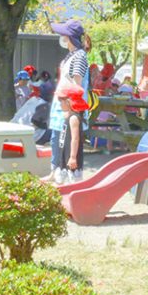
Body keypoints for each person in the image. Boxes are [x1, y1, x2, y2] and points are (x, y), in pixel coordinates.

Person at [44, 20, 89, 183]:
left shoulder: (79, 57)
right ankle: (56, 171)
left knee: (69, 141)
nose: (61, 37)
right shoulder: (71, 55)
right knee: (58, 138)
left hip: (71, 106)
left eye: (63, 34)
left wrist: (70, 107)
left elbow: (77, 85)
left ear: (69, 37)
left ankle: (69, 175)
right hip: (63, 104)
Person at [55, 83, 89, 184]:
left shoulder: (74, 118)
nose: (60, 104)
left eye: (61, 101)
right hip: (65, 155)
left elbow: (75, 139)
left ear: (69, 102)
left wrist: (73, 157)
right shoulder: (69, 116)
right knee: (64, 182)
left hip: (71, 157)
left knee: (73, 182)